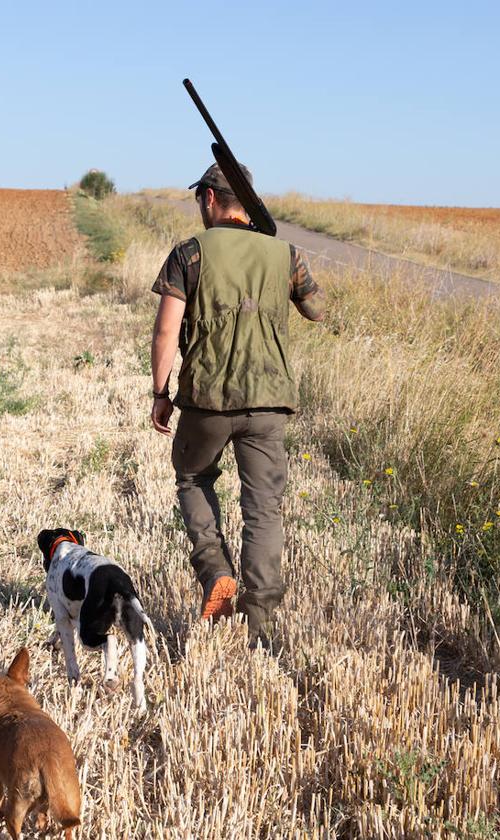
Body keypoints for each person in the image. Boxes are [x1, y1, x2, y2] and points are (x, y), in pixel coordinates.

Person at [149, 162, 326, 647]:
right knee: (264, 510)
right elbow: (316, 308)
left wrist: (161, 392)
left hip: (207, 401)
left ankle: (215, 573)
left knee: (192, 478)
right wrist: (276, 252)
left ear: (209, 198)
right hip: (269, 403)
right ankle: (261, 621)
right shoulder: (283, 254)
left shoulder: (189, 254)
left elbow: (167, 331)